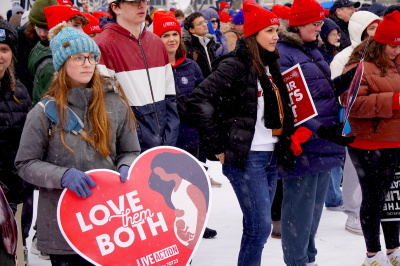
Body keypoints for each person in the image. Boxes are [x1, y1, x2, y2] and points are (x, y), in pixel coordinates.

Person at [15, 26, 141, 265]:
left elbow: (131, 150)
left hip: (110, 223)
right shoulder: (43, 112)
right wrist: (62, 176)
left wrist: (127, 166)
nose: (87, 63)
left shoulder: (115, 103)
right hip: (64, 228)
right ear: (62, 64)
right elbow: (25, 164)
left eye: (92, 57)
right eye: (79, 57)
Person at [187, 1, 295, 264]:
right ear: (254, 34)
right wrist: (218, 146)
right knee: (260, 228)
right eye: (269, 30)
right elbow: (199, 100)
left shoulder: (271, 63)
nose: (275, 36)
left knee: (256, 227)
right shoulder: (235, 65)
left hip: (270, 155)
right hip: (247, 158)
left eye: (276, 30)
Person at [276, 0, 355, 264]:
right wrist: (321, 130)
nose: (319, 29)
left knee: (314, 211)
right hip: (305, 144)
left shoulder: (313, 50)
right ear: (297, 24)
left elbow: (320, 92)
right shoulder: (285, 53)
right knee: (298, 212)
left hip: (323, 141)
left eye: (321, 23)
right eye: (315, 24)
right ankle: (297, 260)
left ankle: (309, 257)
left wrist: (344, 81)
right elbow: (295, 102)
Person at [341, 11, 400, 266]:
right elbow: (352, 103)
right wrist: (394, 101)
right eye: (391, 46)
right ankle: (373, 254)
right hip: (368, 143)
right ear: (379, 42)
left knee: (393, 199)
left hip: (395, 141)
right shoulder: (359, 66)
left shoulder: (398, 62)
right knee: (374, 197)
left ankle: (393, 249)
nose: (396, 51)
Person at [152, 11, 217, 239]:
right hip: (164, 138)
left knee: (194, 184)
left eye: (174, 34)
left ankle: (198, 222)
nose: (171, 39)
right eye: (165, 35)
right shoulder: (152, 68)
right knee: (167, 187)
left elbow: (203, 99)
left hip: (191, 136)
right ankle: (169, 225)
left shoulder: (190, 66)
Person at [95, 0, 180, 152]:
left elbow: (170, 98)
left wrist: (168, 140)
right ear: (116, 8)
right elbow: (107, 110)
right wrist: (131, 148)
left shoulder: (156, 43)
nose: (142, 6)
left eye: (144, 1)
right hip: (130, 149)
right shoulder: (102, 45)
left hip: (164, 143)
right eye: (134, 2)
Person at [330, 10, 382, 236]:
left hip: (380, 119)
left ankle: (373, 210)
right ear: (359, 31)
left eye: (378, 27)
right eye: (371, 28)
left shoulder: (384, 54)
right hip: (353, 119)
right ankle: (353, 212)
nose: (376, 33)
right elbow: (336, 88)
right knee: (354, 167)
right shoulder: (345, 56)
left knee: (378, 168)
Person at [0, 19, 32, 264]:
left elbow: (30, 141)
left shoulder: (19, 92)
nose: (0, 55)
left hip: (17, 196)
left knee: (15, 257)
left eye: (4, 49)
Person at [149, 152, 209, 250]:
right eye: (158, 174)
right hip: (180, 236)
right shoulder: (173, 189)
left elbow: (201, 212)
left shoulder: (190, 188)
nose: (161, 177)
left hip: (191, 233)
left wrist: (195, 238)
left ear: (169, 168)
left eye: (161, 173)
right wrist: (177, 212)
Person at [182, 12, 218, 78]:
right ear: (191, 30)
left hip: (214, 84)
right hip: (201, 85)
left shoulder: (210, 43)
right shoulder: (188, 46)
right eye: (199, 23)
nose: (204, 25)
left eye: (204, 21)